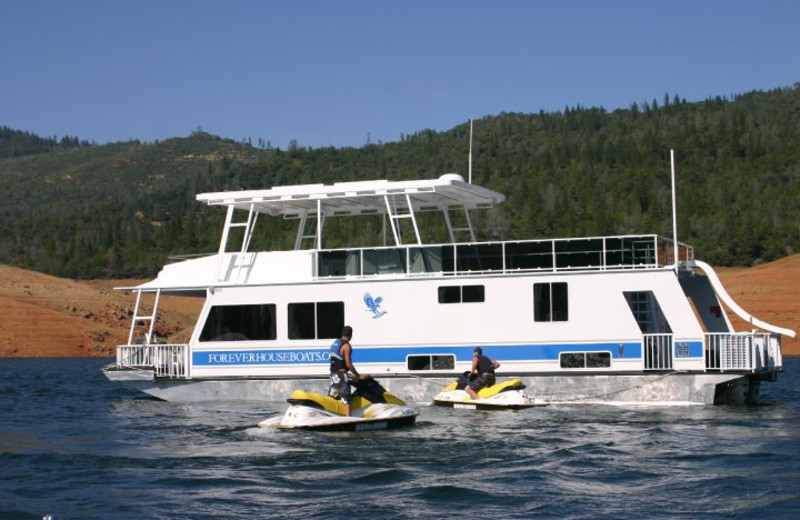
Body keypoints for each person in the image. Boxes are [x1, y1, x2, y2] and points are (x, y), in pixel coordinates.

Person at [328, 325, 364, 416]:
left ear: (342, 333)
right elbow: (348, 364)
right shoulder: (346, 346)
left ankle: (331, 415)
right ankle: (348, 419)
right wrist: (358, 375)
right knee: (347, 398)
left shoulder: (335, 343)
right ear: (351, 335)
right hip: (341, 374)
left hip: (333, 375)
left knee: (333, 396)